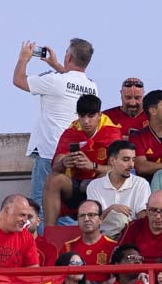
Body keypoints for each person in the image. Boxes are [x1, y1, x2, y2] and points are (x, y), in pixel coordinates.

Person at [13, 38, 97, 214]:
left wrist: (23, 58)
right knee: (67, 207)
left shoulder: (53, 81)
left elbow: (19, 80)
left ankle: (43, 241)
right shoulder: (92, 87)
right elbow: (70, 81)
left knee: (39, 206)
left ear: (69, 57)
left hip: (49, 153)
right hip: (76, 155)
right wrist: (56, 64)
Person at [42, 93, 121, 227]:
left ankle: (102, 228)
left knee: (105, 177)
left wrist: (93, 166)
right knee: (53, 179)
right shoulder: (71, 132)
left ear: (99, 115)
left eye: (91, 116)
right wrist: (63, 162)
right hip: (75, 186)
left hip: (98, 183)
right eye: (82, 116)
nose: (85, 121)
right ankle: (50, 233)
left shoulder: (111, 132)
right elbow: (55, 166)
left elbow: (119, 169)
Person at [86, 140, 150, 238]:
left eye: (133, 159)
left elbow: (143, 219)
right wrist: (111, 209)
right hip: (102, 238)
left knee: (120, 220)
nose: (131, 165)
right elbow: (92, 221)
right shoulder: (94, 186)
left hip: (131, 237)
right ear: (112, 161)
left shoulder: (141, 184)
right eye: (126, 159)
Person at [119, 190, 162, 262]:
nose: (158, 216)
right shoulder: (133, 227)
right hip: (136, 272)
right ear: (146, 208)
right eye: (153, 210)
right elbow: (119, 260)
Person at [62, 200, 116, 284]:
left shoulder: (113, 246)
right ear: (78, 220)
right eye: (82, 216)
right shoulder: (68, 247)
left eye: (91, 215)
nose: (86, 219)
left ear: (100, 219)